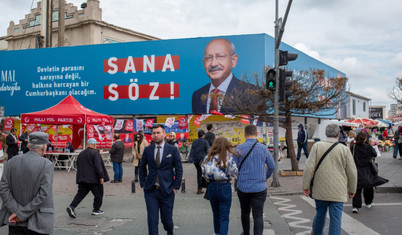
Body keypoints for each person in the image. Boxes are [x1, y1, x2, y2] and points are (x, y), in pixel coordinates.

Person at [302, 124, 357, 235]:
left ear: (326, 133)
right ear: (338, 134)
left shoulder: (317, 146)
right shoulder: (344, 149)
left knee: (320, 214)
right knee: (336, 219)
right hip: (338, 190)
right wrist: (352, 189)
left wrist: (306, 186)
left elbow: (309, 168)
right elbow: (352, 171)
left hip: (320, 188)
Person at [0, 132, 54, 234]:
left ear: (28, 145)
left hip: (14, 219)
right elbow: (43, 194)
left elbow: (3, 188)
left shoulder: (12, 161)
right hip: (38, 221)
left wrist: (16, 211)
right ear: (44, 147)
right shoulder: (47, 165)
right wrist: (22, 214)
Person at [192, 38, 257, 114]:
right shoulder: (197, 95)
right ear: (204, 63)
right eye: (209, 58)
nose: (213, 64)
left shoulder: (251, 93)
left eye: (220, 56)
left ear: (233, 60)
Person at [139, 124, 183, 235]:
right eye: (153, 133)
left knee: (166, 220)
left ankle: (170, 232)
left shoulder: (172, 150)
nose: (155, 135)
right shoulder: (148, 150)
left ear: (164, 134)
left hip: (167, 190)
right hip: (151, 191)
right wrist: (143, 183)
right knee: (152, 220)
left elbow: (179, 169)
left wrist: (176, 186)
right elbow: (142, 167)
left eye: (158, 133)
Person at [233, 124, 275, 235]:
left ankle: (246, 233)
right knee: (258, 215)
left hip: (243, 188)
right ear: (256, 134)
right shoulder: (263, 148)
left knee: (245, 213)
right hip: (259, 188)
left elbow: (233, 167)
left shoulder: (238, 149)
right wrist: (265, 176)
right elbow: (272, 166)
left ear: (244, 134)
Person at [202, 137, 238, 235]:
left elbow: (204, 174)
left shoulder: (207, 158)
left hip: (212, 187)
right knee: (224, 217)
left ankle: (216, 233)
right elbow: (235, 172)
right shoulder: (228, 158)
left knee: (216, 214)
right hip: (225, 187)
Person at [66, 138, 110, 218]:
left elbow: (78, 165)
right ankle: (96, 209)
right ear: (94, 145)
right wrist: (101, 176)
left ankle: (72, 207)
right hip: (93, 179)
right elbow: (98, 166)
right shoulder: (95, 153)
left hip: (83, 178)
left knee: (80, 194)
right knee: (99, 194)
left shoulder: (81, 153)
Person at [350, 132, 388, 213]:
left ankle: (356, 206)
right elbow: (374, 154)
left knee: (357, 188)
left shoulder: (354, 146)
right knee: (368, 186)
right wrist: (370, 145)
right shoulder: (367, 146)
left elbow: (350, 156)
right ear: (365, 139)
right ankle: (368, 202)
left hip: (356, 169)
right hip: (367, 168)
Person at [189, 130, 210, 194]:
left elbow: (192, 150)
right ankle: (201, 188)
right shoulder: (205, 142)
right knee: (203, 173)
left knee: (199, 173)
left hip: (195, 160)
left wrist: (190, 159)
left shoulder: (194, 141)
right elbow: (208, 150)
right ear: (203, 135)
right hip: (202, 160)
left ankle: (200, 188)